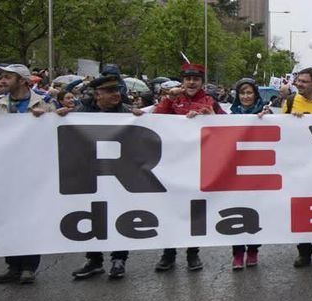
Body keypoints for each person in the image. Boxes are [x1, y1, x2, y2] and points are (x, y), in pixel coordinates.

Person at [0, 64, 56, 284]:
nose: (3, 81)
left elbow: (59, 129)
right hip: (6, 172)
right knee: (8, 219)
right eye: (2, 77)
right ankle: (12, 265)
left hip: (33, 172)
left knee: (30, 218)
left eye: (8, 77)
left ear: (22, 80)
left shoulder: (44, 102)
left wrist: (48, 118)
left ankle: (29, 266)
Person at [58, 75, 144, 279]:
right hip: (90, 174)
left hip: (119, 175)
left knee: (121, 214)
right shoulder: (80, 112)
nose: (116, 94)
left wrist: (142, 118)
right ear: (97, 95)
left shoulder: (127, 112)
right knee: (91, 215)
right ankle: (94, 260)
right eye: (110, 91)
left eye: (117, 90)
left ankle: (119, 259)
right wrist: (57, 116)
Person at [153, 63, 225, 272]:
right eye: (188, 79)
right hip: (173, 164)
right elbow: (155, 119)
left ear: (202, 82)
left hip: (198, 166)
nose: (191, 82)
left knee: (195, 211)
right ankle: (168, 253)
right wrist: (168, 99)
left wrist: (212, 118)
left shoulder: (210, 101)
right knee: (171, 209)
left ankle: (193, 253)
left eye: (196, 79)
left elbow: (228, 126)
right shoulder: (173, 99)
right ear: (183, 81)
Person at [266, 68, 312, 267]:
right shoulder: (290, 102)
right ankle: (304, 251)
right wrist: (290, 120)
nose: (299, 84)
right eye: (298, 81)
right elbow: (280, 130)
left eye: (304, 81)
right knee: (300, 208)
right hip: (297, 165)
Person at [229, 78, 265, 269]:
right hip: (235, 173)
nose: (245, 96)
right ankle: (237, 253)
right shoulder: (230, 115)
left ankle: (253, 250)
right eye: (242, 93)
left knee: (254, 212)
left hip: (258, 171)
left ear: (255, 94)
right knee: (236, 211)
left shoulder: (265, 114)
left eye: (249, 92)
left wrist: (266, 118)